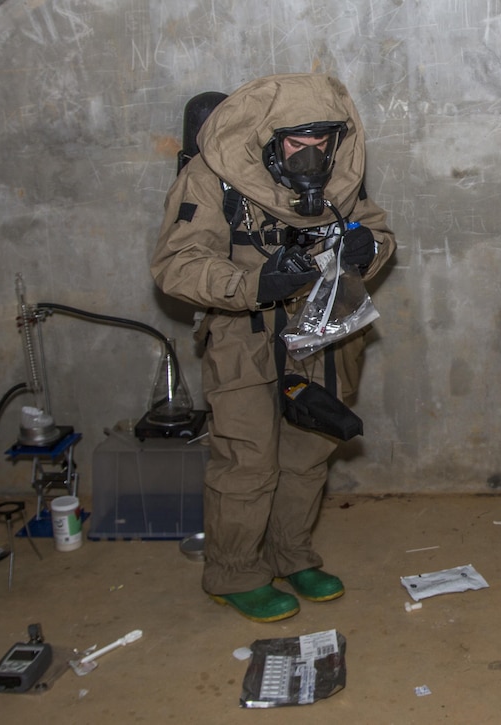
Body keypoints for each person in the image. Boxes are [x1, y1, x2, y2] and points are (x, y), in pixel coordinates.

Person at [151, 74, 396, 622]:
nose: (311, 157)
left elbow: (377, 229)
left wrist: (368, 245)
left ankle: (292, 554)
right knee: (248, 460)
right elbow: (176, 264)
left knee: (308, 454)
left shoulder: (342, 171)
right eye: (295, 144)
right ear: (268, 138)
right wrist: (254, 283)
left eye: (321, 143)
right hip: (246, 336)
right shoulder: (213, 177)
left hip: (321, 331)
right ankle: (233, 571)